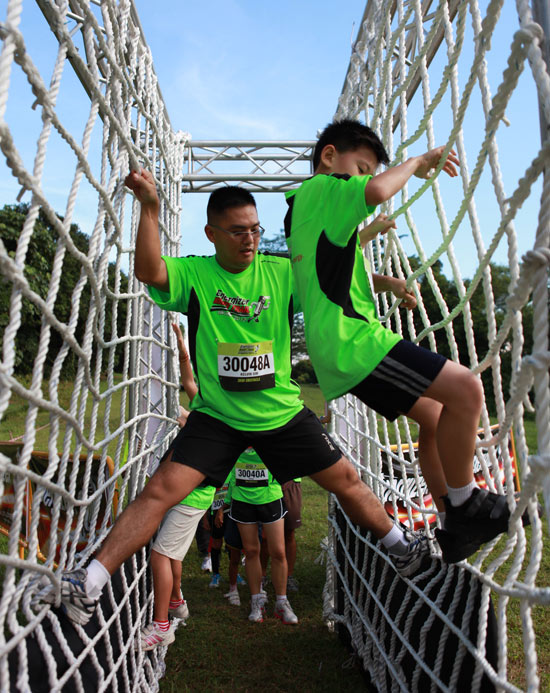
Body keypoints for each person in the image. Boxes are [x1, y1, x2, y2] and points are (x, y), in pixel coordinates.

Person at [38, 174, 431, 627]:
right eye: (238, 231)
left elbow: (334, 276)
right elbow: (149, 271)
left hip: (280, 414)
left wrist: (389, 284)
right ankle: (86, 584)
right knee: (158, 491)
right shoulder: (196, 273)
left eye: (255, 229)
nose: (250, 240)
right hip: (219, 418)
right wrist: (150, 207)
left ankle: (402, 550)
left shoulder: (281, 272)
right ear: (212, 234)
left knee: (345, 477)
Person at [284, 118, 527, 563]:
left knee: (435, 419)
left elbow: (331, 276)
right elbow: (376, 192)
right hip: (354, 342)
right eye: (361, 167)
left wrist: (387, 283)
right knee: (467, 389)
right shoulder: (325, 189)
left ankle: (453, 528)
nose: (364, 178)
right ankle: (464, 502)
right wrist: (416, 161)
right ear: (329, 157)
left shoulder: (304, 212)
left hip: (338, 346)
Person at [223, 446, 298, 624]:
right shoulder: (235, 428)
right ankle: (256, 601)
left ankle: (282, 602)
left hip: (270, 497)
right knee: (251, 551)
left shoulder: (267, 428)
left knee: (278, 552)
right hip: (242, 498)